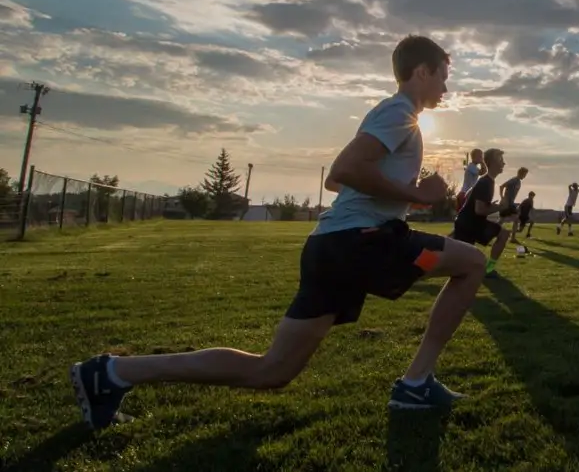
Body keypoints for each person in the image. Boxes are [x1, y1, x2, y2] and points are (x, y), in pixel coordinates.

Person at [69, 35, 487, 432]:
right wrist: (416, 193)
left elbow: (339, 185)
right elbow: (344, 170)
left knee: (271, 370)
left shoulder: (394, 116)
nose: (447, 88)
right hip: (361, 243)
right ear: (421, 72)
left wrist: (407, 199)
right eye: (443, 76)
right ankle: (416, 384)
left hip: (334, 247)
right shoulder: (399, 113)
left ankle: (113, 372)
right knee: (471, 262)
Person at [452, 149, 514, 276]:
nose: (504, 163)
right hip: (469, 226)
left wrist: (492, 205)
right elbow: (479, 210)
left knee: (503, 234)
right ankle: (489, 268)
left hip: (470, 224)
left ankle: (489, 268)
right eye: (501, 160)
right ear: (492, 162)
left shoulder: (487, 181)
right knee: (456, 265)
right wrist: (500, 207)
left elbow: (471, 195)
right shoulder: (486, 182)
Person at [499, 167, 529, 244]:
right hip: (507, 203)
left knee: (510, 220)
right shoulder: (514, 180)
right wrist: (502, 198)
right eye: (524, 174)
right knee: (503, 220)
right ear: (520, 173)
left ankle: (512, 238)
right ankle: (489, 232)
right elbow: (501, 186)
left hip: (511, 203)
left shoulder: (518, 181)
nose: (525, 176)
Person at [456, 149, 483, 214]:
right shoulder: (471, 167)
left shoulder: (474, 167)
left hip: (468, 194)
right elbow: (483, 172)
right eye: (480, 156)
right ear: (475, 157)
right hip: (466, 194)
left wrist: (482, 162)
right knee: (465, 215)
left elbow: (484, 172)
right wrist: (482, 162)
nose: (481, 157)